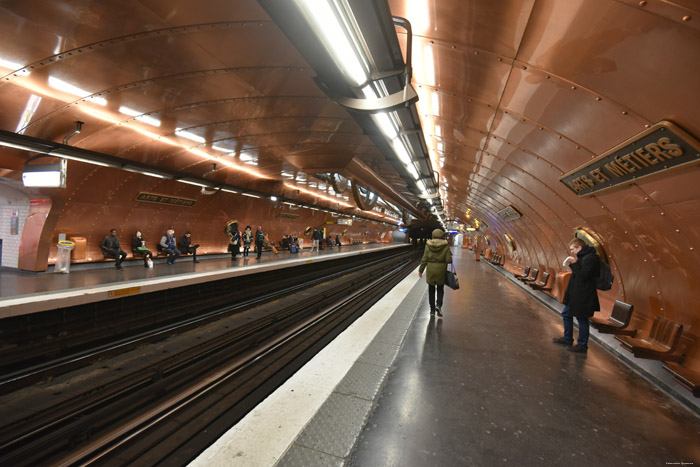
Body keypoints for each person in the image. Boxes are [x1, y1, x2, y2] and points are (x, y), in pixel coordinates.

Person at [553, 238, 601, 353]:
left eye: (573, 249)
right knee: (566, 314)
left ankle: (582, 345)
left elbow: (583, 276)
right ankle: (568, 338)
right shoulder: (583, 258)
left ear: (579, 248)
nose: (572, 252)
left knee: (582, 319)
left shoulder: (591, 259)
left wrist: (573, 264)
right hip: (576, 295)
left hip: (584, 296)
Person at [418, 228, 452, 317]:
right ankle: (439, 305)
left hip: (431, 269)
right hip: (441, 269)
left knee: (431, 290)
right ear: (442, 236)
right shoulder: (446, 245)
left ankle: (432, 310)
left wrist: (421, 270)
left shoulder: (428, 245)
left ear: (433, 235)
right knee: (440, 289)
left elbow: (424, 259)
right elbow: (449, 260)